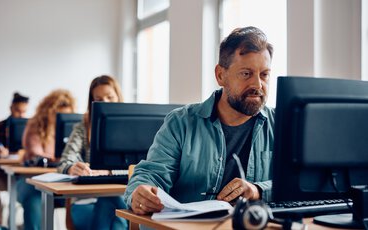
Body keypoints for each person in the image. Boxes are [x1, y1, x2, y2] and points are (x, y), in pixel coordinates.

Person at [124, 26, 275, 215]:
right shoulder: (181, 122)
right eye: (246, 74)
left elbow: (300, 184)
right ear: (221, 75)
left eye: (264, 74)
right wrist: (141, 192)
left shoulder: (281, 125)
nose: (257, 85)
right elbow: (152, 174)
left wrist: (258, 190)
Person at [57, 75, 128, 230]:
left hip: (123, 199)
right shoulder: (82, 128)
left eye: (110, 97)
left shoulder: (131, 128)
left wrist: (109, 171)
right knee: (114, 210)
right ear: (92, 102)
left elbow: (141, 166)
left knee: (113, 207)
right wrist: (71, 168)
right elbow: (64, 162)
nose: (106, 103)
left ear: (118, 97)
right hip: (86, 201)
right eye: (100, 99)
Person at [17, 89, 75, 230]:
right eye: (58, 114)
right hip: (32, 181)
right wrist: (62, 159)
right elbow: (36, 152)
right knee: (34, 200)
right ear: (48, 111)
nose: (61, 119)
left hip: (62, 181)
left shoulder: (74, 129)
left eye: (65, 115)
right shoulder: (35, 126)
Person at [0, 92, 29, 227]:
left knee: (32, 190)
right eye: (18, 111)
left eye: (24, 111)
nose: (21, 115)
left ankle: (14, 224)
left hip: (23, 175)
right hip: (3, 174)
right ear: (11, 108)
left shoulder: (30, 127)